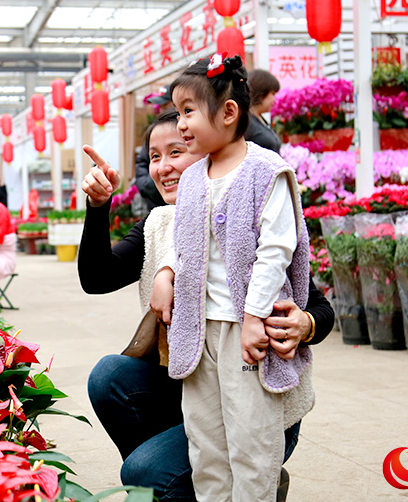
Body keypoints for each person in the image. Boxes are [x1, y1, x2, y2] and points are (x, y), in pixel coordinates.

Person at [78, 109, 333, 502]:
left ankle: (192, 478)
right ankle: (180, 482)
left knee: (144, 471)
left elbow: (318, 306)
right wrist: (97, 208)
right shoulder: (159, 224)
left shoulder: (245, 221)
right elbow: (96, 279)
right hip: (193, 392)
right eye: (155, 156)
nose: (163, 167)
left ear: (209, 151)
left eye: (177, 151)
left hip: (259, 405)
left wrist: (305, 324)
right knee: (110, 376)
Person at [150, 55, 310, 502]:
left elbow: (275, 251)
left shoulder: (265, 171)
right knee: (206, 447)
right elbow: (187, 245)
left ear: (228, 113)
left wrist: (255, 315)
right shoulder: (195, 177)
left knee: (252, 443)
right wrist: (170, 273)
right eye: (177, 111)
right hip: (198, 332)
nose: (180, 124)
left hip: (244, 331)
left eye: (187, 111)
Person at [245, 69, 282, 153]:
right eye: (272, 94)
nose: (274, 99)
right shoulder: (247, 122)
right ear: (261, 93)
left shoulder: (260, 119)